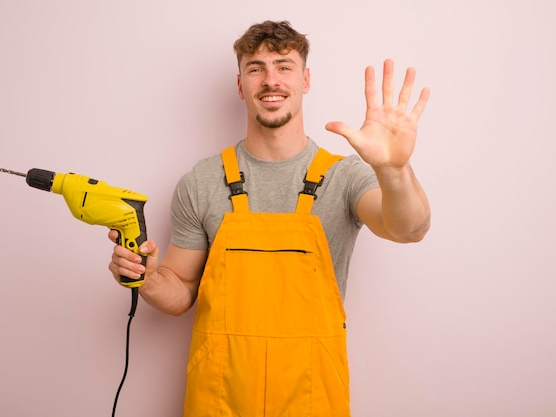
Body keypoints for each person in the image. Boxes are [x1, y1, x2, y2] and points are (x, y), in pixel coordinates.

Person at [109, 20, 430, 417]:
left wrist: (395, 170)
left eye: (284, 66)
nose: (270, 80)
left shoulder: (345, 175)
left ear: (305, 79)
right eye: (256, 68)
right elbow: (179, 293)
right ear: (241, 84)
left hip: (311, 392)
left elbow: (409, 228)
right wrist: (149, 277)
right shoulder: (202, 180)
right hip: (220, 393)